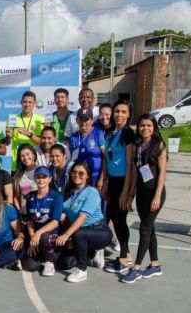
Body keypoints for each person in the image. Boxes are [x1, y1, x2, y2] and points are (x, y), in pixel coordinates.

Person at [120, 114, 167, 284]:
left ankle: (137, 268)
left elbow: (162, 174)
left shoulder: (159, 145)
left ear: (154, 127)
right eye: (142, 125)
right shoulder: (138, 146)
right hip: (141, 193)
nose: (145, 128)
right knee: (150, 228)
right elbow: (134, 173)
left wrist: (157, 196)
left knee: (144, 229)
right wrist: (131, 195)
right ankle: (155, 265)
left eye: (148, 125)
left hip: (155, 193)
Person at [55, 160, 112, 283]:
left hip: (98, 231)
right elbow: (63, 215)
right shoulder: (69, 191)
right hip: (79, 232)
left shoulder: (92, 192)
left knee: (79, 234)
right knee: (63, 263)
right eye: (74, 172)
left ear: (87, 175)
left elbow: (82, 218)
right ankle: (91, 255)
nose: (77, 175)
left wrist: (67, 235)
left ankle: (82, 270)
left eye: (81, 173)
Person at [102, 100, 136, 273]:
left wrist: (126, 192)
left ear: (129, 114)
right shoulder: (109, 132)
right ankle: (113, 253)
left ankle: (126, 257)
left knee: (120, 219)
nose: (120, 115)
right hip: (112, 182)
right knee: (109, 217)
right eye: (117, 111)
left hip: (124, 181)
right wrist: (105, 182)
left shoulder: (128, 134)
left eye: (123, 112)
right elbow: (106, 159)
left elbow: (130, 164)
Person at [24, 166, 63, 277]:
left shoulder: (56, 196)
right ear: (35, 178)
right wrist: (32, 237)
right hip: (36, 236)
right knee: (31, 267)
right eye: (38, 177)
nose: (41, 180)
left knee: (45, 237)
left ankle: (49, 262)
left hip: (50, 235)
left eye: (44, 177)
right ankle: (43, 255)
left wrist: (38, 233)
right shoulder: (31, 196)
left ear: (50, 179)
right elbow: (30, 220)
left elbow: (55, 221)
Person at [5, 91, 45, 173]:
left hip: (34, 162)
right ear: (21, 102)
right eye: (25, 102)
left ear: (34, 103)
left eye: (30, 102)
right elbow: (8, 143)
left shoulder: (40, 120)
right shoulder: (12, 119)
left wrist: (29, 134)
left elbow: (42, 142)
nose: (27, 104)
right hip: (17, 162)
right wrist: (8, 136)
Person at [68, 112, 105, 188]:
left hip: (96, 181)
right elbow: (71, 160)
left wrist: (101, 179)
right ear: (77, 120)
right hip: (80, 182)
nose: (83, 122)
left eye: (86, 119)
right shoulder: (73, 137)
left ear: (92, 121)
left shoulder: (98, 133)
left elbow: (105, 157)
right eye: (81, 119)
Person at [12, 144, 38, 215]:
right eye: (22, 156)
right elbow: (16, 197)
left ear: (34, 155)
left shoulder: (41, 171)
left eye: (27, 154)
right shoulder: (18, 175)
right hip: (25, 213)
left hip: (39, 213)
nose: (25, 158)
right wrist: (19, 213)